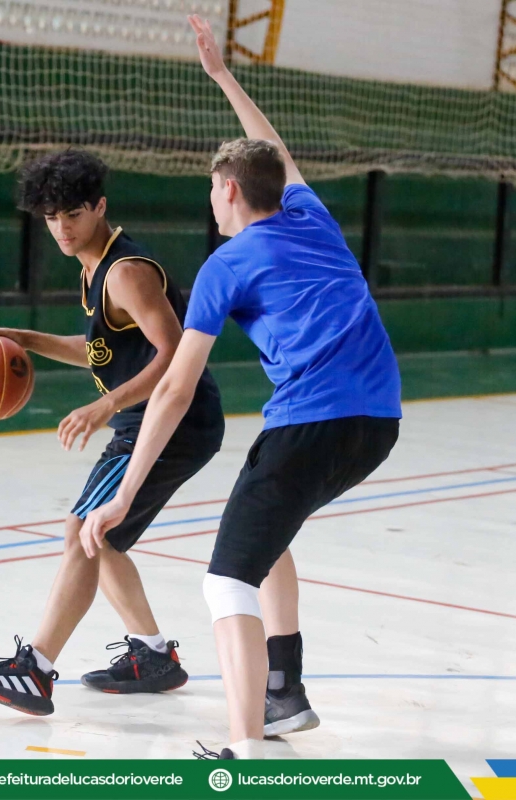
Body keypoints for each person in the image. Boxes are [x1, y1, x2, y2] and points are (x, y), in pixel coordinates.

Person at [81, 15, 402, 758]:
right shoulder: (311, 218)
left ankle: (247, 750)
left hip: (310, 422)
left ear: (228, 191)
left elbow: (173, 389)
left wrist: (126, 493)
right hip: (379, 421)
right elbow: (276, 156)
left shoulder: (225, 266)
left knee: (226, 583)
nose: (211, 200)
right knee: (268, 538)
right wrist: (223, 77)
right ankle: (283, 693)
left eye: (211, 189)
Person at [0, 149, 226, 715]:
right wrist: (26, 339)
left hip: (170, 420)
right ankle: (153, 656)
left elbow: (175, 352)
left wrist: (107, 404)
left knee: (83, 531)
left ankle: (34, 671)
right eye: (51, 217)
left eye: (72, 214)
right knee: (102, 536)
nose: (61, 228)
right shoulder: (95, 266)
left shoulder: (125, 272)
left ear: (99, 206)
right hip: (155, 419)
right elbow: (102, 349)